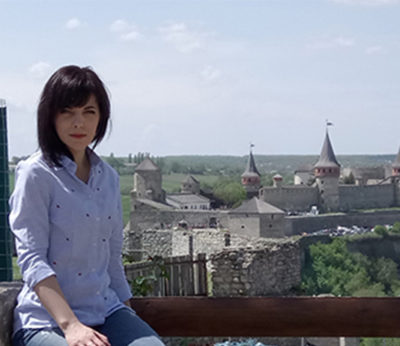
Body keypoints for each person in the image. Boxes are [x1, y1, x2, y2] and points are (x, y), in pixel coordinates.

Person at [10, 65, 165, 346]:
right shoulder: (36, 174)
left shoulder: (109, 178)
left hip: (106, 311)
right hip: (48, 320)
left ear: (101, 118)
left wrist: (129, 321)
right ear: (50, 117)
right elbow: (32, 259)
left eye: (88, 112)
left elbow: (112, 258)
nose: (78, 122)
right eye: (67, 112)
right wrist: (72, 326)